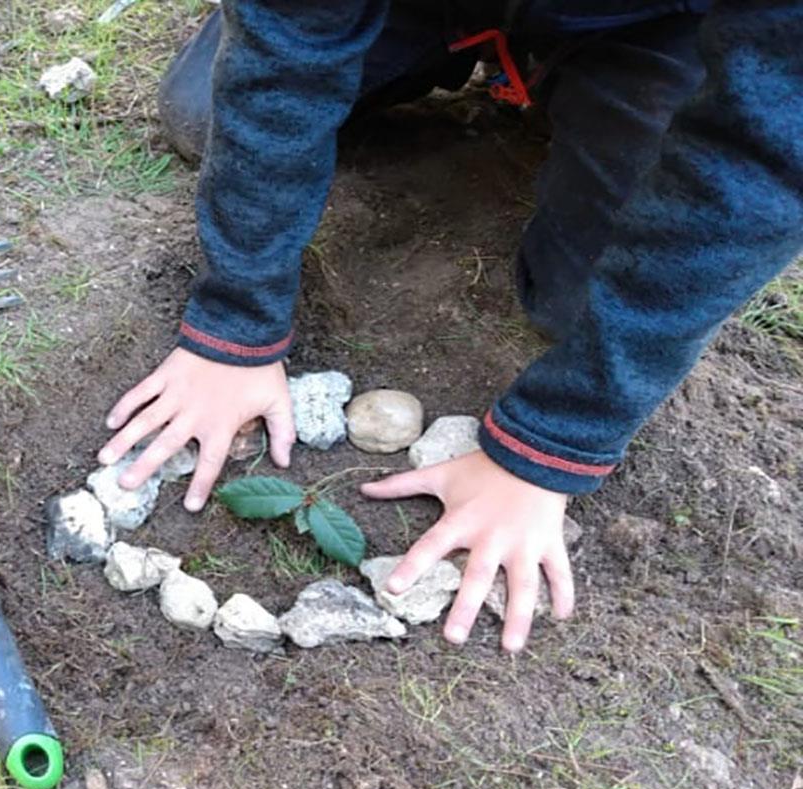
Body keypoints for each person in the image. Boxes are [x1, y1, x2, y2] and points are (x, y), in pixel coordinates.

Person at [96, 0, 803, 652]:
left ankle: (570, 80)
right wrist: (235, 328)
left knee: (583, 297)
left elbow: (765, 159)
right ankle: (484, 51)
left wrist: (552, 446)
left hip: (645, 23)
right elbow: (284, 53)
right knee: (206, 116)